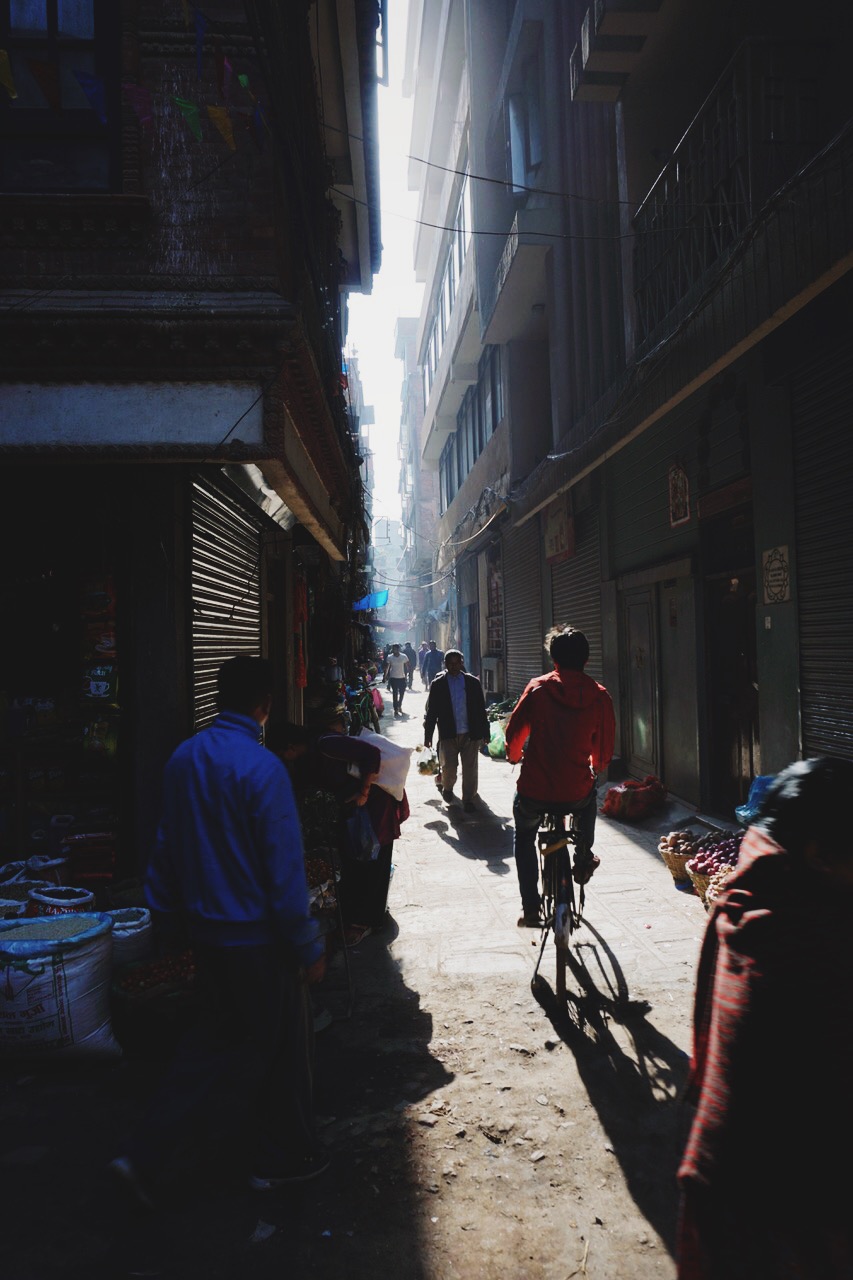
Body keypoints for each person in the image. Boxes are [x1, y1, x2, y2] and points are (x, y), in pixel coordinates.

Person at [108, 657, 328, 1207]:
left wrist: (165, 917)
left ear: (216, 698)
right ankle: (279, 1160)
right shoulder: (264, 769)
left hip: (206, 939)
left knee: (208, 1046)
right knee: (281, 1049)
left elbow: (166, 845)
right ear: (265, 706)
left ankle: (142, 1156)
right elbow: (284, 871)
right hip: (260, 944)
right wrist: (306, 943)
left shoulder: (184, 759)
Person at [676, 757, 853, 1280]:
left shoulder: (747, 900)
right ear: (820, 855)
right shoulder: (813, 942)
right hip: (786, 1218)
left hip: (719, 1192)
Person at [505, 626, 615, 927]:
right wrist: (595, 766)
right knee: (588, 799)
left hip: (534, 788)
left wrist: (514, 756)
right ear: (586, 659)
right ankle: (582, 859)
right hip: (575, 790)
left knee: (525, 836)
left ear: (554, 658)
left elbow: (514, 733)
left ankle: (530, 909)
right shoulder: (600, 696)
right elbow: (603, 752)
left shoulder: (538, 688)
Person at [423, 648, 490, 813]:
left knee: (470, 769)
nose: (453, 666)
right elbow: (431, 712)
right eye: (450, 663)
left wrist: (485, 733)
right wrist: (428, 736)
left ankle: (468, 799)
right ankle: (447, 788)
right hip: (448, 733)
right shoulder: (438, 684)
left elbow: (481, 710)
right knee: (449, 767)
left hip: (470, 734)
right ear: (445, 664)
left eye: (457, 663)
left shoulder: (472, 682)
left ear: (462, 663)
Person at [383, 643, 409, 717]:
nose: (395, 650)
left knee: (402, 693)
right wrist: (385, 676)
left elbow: (407, 666)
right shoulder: (390, 657)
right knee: (394, 693)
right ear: (392, 649)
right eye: (394, 649)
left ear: (399, 649)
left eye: (396, 649)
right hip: (393, 678)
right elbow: (387, 667)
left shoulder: (404, 657)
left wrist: (408, 675)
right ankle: (395, 708)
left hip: (402, 677)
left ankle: (399, 705)